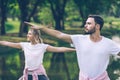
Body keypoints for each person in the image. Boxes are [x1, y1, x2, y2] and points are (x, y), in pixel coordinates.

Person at [24, 15, 120, 80]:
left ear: (97, 26)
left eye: (89, 24)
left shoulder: (108, 43)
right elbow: (59, 35)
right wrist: (42, 28)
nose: (85, 25)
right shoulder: (79, 39)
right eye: (86, 23)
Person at [0, 29, 75, 80]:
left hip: (39, 75)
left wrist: (75, 49)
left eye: (29, 34)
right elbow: (8, 43)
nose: (27, 35)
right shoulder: (24, 45)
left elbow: (59, 49)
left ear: (35, 36)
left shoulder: (42, 47)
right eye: (28, 33)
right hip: (27, 74)